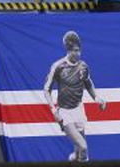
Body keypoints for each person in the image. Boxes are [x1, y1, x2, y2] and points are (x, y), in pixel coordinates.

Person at [44, 30, 106, 163]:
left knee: (78, 152)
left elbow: (88, 84)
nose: (77, 53)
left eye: (79, 50)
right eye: (74, 51)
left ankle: (74, 159)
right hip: (64, 112)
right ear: (68, 51)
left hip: (78, 109)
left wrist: (97, 98)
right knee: (83, 147)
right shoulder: (58, 66)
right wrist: (54, 110)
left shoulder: (83, 67)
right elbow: (46, 89)